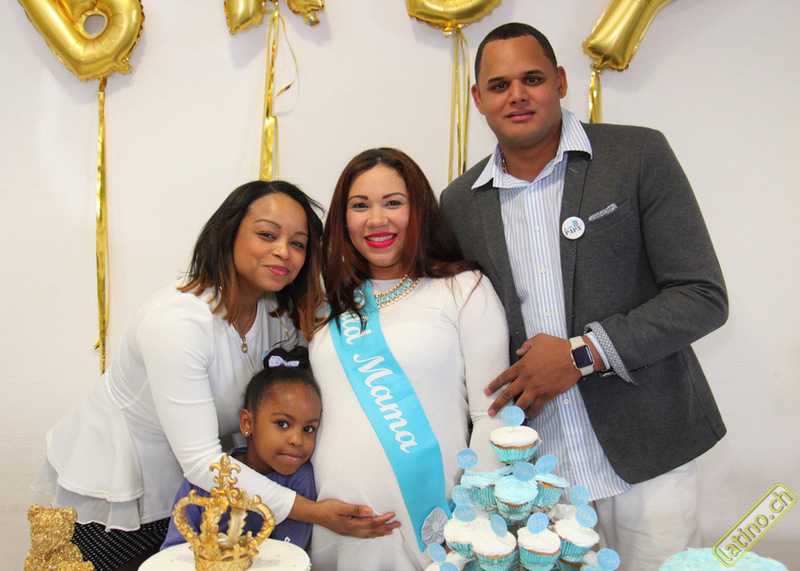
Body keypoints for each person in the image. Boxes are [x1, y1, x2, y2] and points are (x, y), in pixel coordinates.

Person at [440, 23, 728, 570]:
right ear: (477, 99)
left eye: (532, 79)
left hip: (647, 454)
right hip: (534, 474)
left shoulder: (637, 154)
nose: (517, 95)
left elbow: (702, 295)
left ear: (561, 81)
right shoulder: (458, 203)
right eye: (499, 85)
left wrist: (581, 354)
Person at [32, 180, 395, 571]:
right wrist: (314, 511)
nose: (283, 252)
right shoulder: (178, 321)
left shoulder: (276, 316)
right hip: (120, 494)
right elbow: (203, 461)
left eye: (298, 243)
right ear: (228, 234)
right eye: (267, 235)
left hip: (201, 494)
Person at [308, 148, 509, 570]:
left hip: (437, 528)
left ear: (419, 211)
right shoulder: (330, 305)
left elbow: (493, 415)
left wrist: (470, 522)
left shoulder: (463, 288)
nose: (376, 219)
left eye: (393, 202)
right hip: (337, 528)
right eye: (359, 205)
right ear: (343, 220)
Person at [162, 345, 321, 550]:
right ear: (247, 423)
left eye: (308, 429)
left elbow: (289, 554)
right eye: (282, 424)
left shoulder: (301, 478)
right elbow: (174, 548)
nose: (297, 440)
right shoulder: (209, 475)